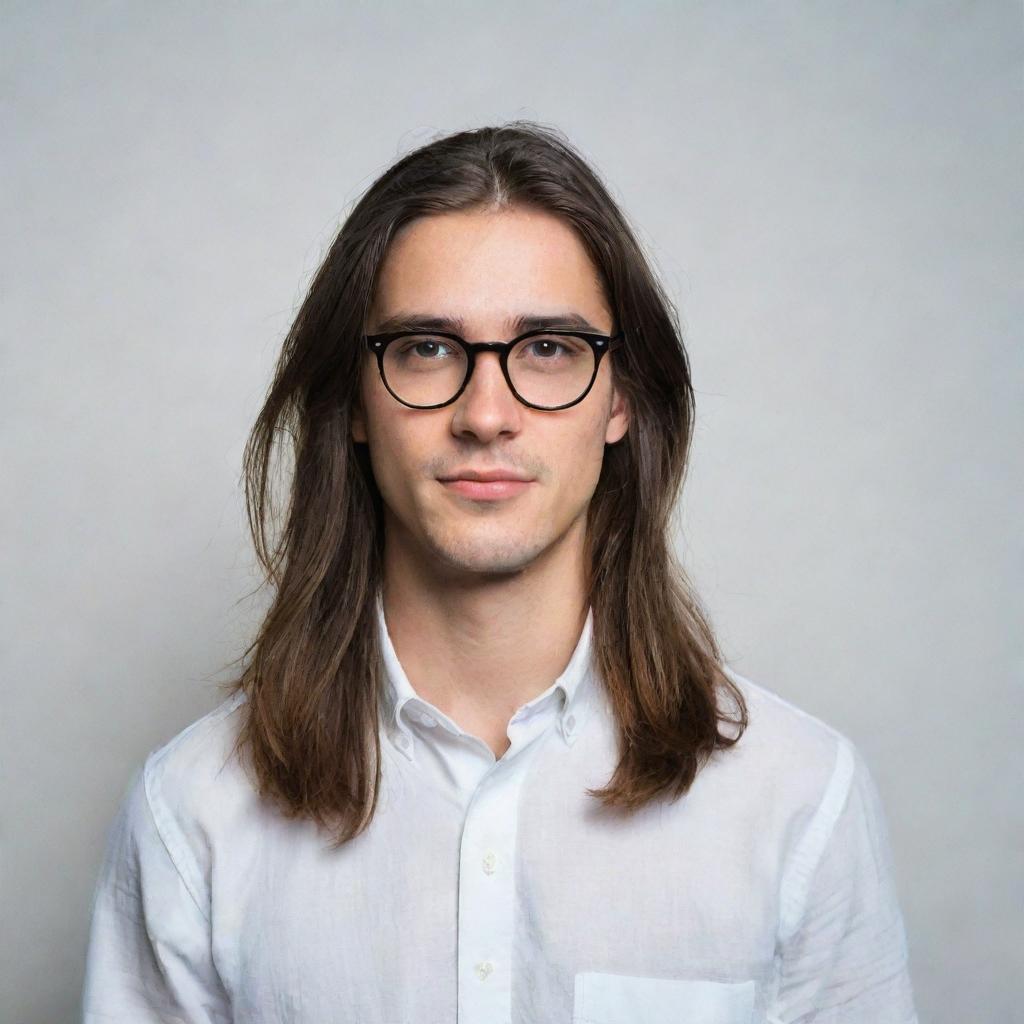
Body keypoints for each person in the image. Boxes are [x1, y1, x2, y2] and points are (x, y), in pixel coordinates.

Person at [81, 122, 919, 1023]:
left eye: (550, 349)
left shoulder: (797, 799)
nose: (487, 414)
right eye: (428, 348)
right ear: (356, 404)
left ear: (622, 399)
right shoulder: (192, 813)